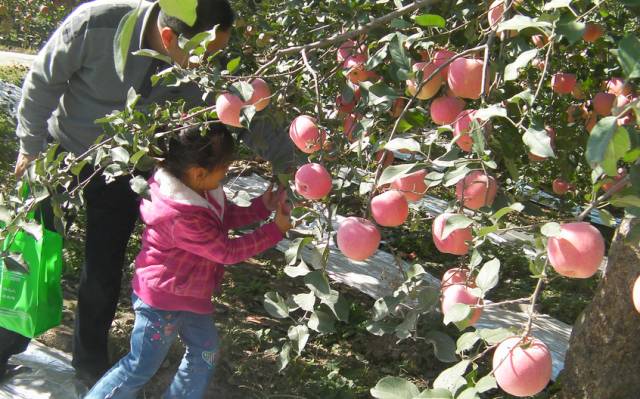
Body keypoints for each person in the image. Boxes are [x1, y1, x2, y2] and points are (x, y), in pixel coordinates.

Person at [5, 0, 236, 385]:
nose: (206, 66)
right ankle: (4, 345)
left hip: (126, 169)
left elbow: (241, 107)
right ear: (167, 36)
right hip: (60, 154)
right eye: (202, 55)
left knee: (103, 267)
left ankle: (89, 365)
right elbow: (44, 79)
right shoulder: (96, 24)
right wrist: (29, 146)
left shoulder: (200, 67)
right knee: (29, 258)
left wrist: (287, 166)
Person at [86, 124, 291, 398]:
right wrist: (274, 230)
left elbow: (223, 218)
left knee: (204, 353)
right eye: (225, 168)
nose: (227, 173)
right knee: (140, 367)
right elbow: (226, 251)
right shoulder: (179, 215)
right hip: (161, 301)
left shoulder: (201, 189)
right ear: (198, 172)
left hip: (191, 296)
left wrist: (261, 207)